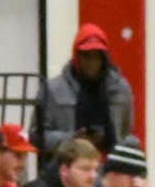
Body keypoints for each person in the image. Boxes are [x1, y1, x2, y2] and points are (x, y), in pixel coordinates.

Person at [39, 25, 135, 157]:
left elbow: (125, 132)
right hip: (66, 165)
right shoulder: (53, 89)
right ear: (76, 56)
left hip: (108, 163)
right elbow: (39, 137)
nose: (92, 63)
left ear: (104, 59)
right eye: (86, 56)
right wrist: (72, 139)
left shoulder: (120, 89)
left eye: (97, 57)